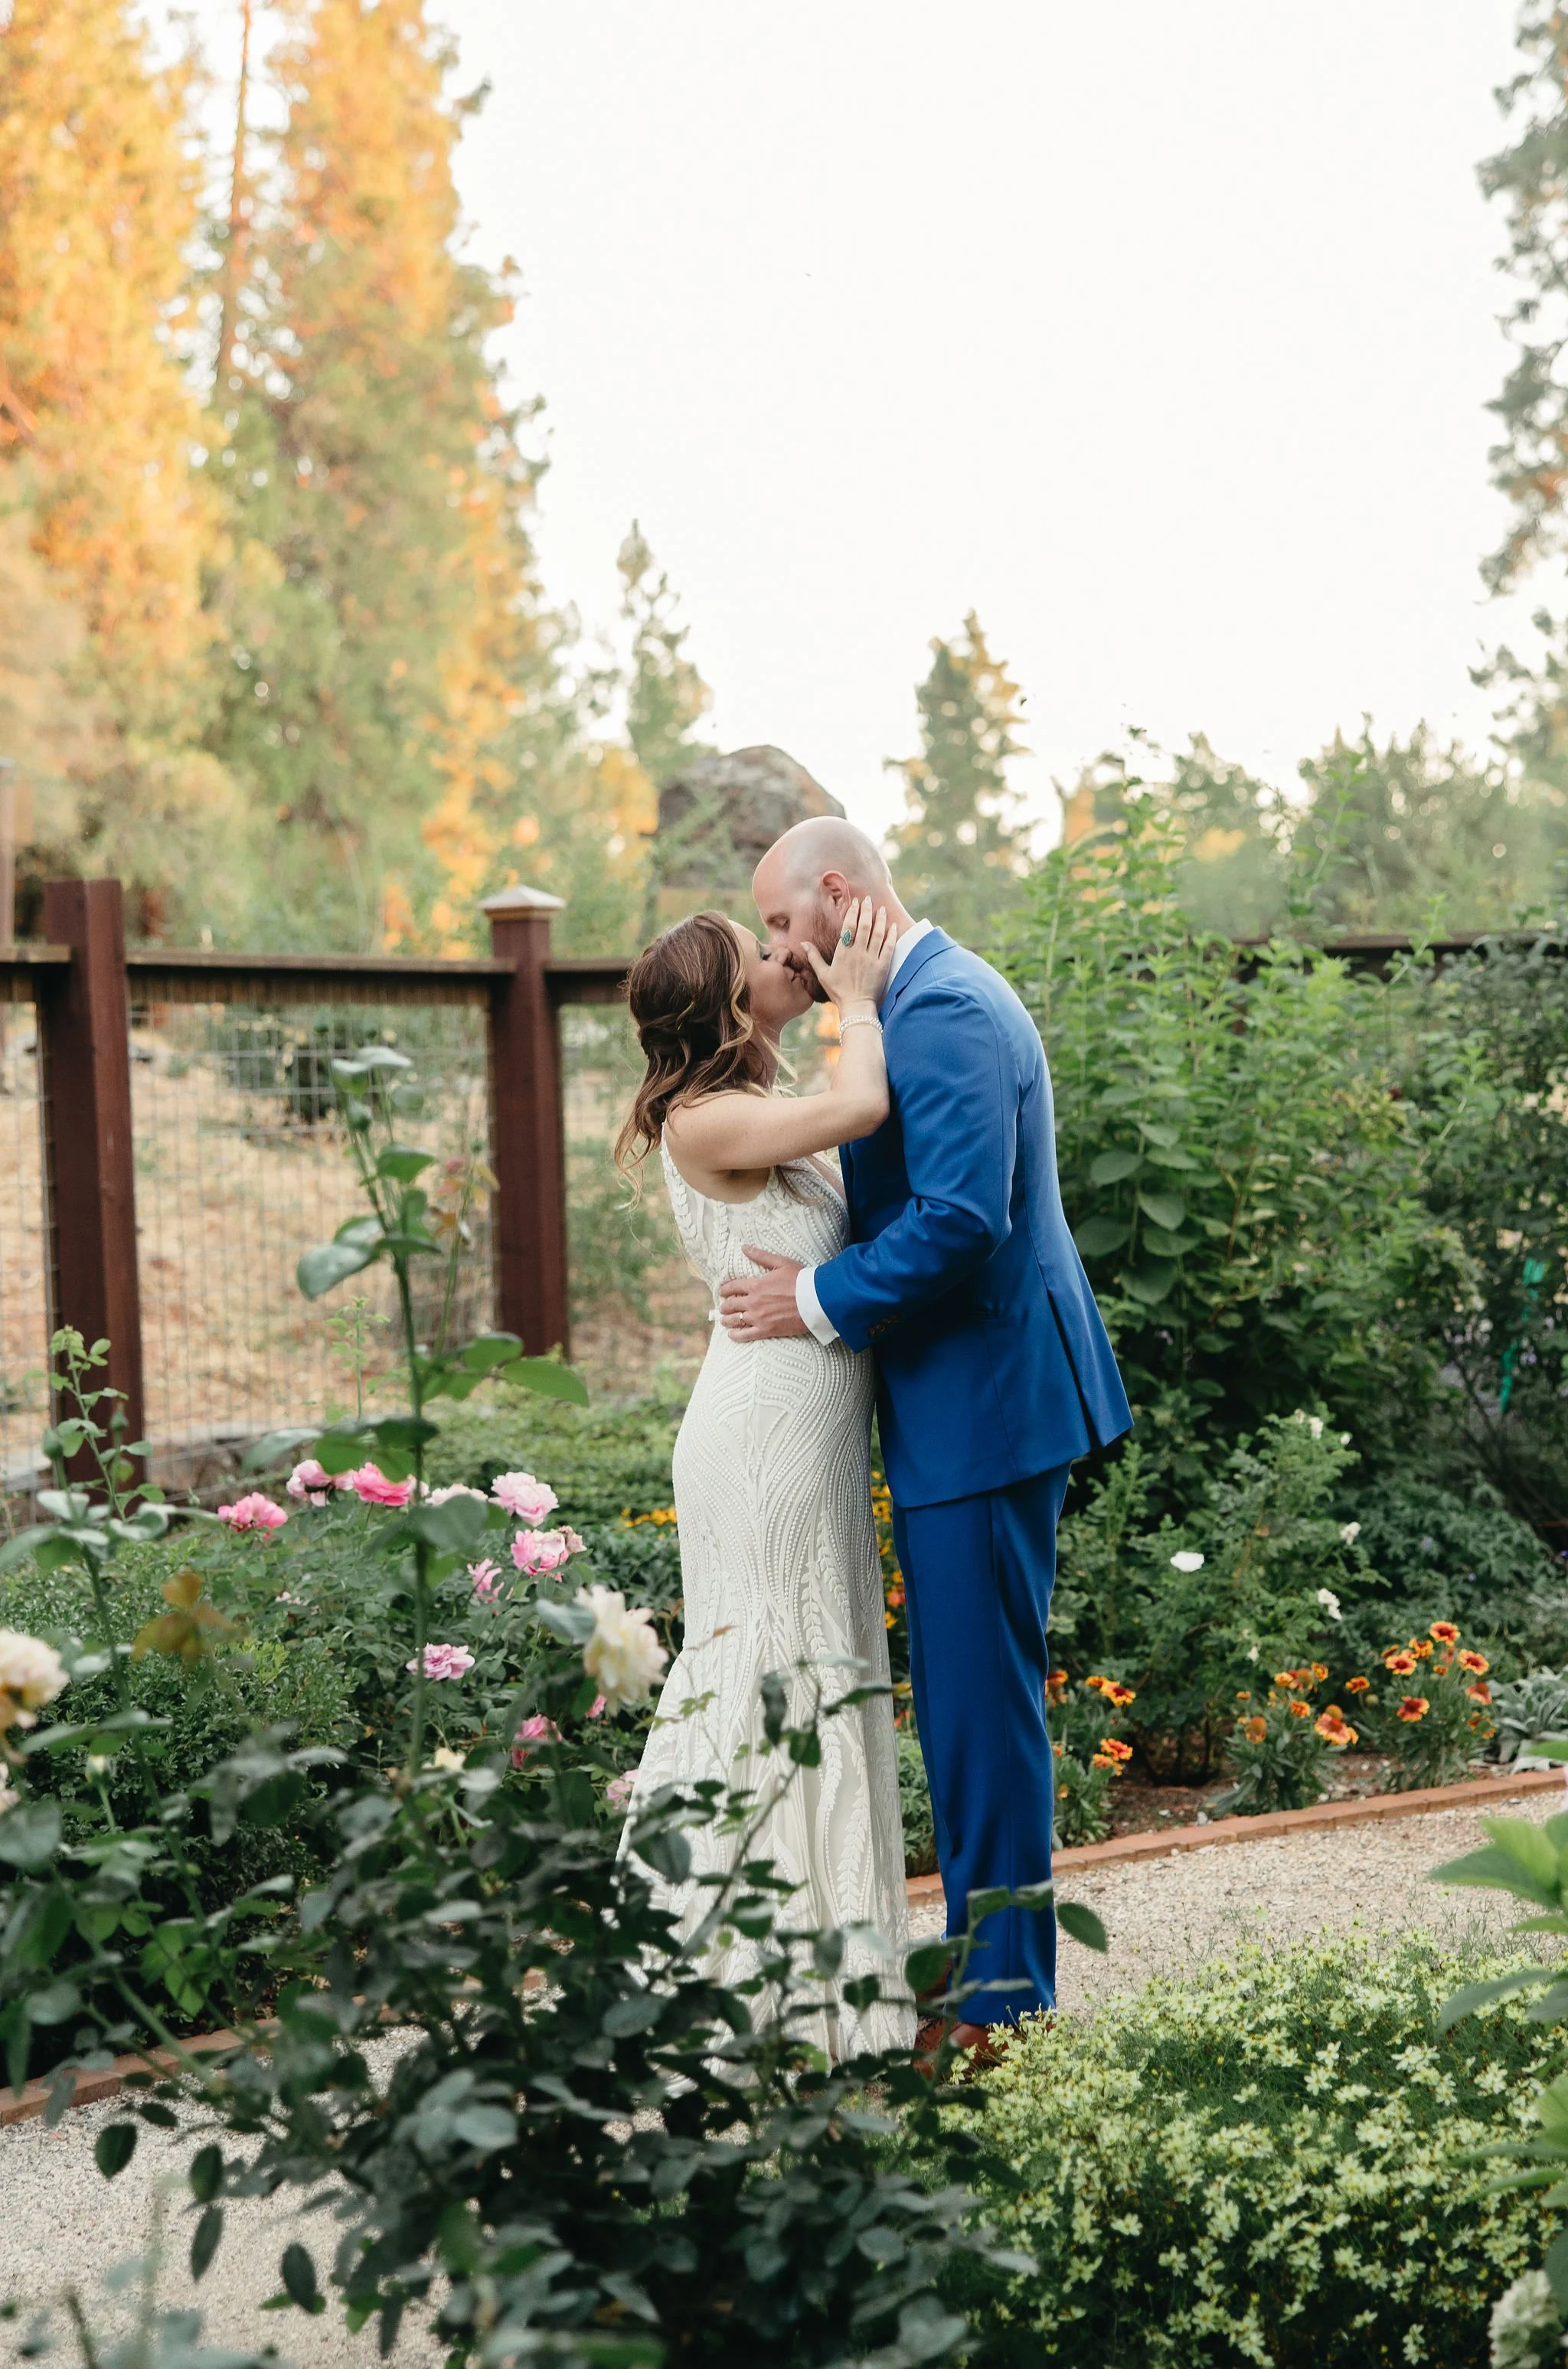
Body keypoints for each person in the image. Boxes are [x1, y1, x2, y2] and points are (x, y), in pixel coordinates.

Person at [719, 816, 1132, 2056]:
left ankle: (1003, 2009)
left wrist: (802, 1302)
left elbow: (958, 1218)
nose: (783, 953)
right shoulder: (911, 998)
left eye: (787, 924)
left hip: (988, 1404)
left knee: (978, 1712)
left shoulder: (945, 1010)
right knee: (968, 1703)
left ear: (839, 895)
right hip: (971, 1397)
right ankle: (985, 1979)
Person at [612, 897, 913, 2057]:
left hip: (802, 1425)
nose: (785, 955)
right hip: (758, 1441)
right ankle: (719, 1999)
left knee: (816, 1670)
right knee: (767, 1681)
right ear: (728, 1004)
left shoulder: (748, 1104)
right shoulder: (706, 1118)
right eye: (762, 953)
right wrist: (860, 1003)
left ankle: (824, 1987)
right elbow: (863, 1103)